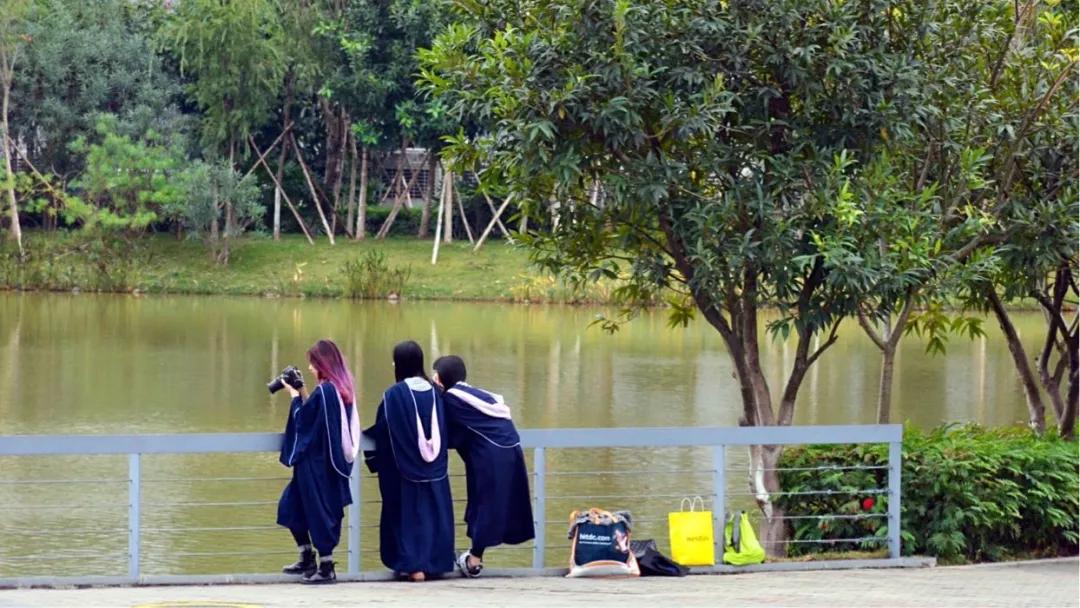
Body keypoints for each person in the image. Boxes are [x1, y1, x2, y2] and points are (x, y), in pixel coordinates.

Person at [433, 355, 534, 578]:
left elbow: (442, 428)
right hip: (510, 449)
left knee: (484, 506)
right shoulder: (475, 394)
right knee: (490, 506)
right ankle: (474, 556)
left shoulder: (451, 398)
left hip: (490, 457)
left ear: (441, 377)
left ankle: (473, 562)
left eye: (435, 375)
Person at [364, 340, 455, 581]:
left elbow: (384, 430)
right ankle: (436, 563)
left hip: (403, 470)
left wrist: (367, 446)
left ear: (400, 364)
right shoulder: (437, 393)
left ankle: (413, 567)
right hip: (436, 469)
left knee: (408, 516)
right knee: (432, 514)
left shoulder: (394, 395)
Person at [276, 339, 360, 584]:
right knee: (291, 507)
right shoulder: (339, 389)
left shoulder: (326, 391)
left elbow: (304, 420)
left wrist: (293, 396)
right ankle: (307, 556)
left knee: (320, 513)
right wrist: (302, 392)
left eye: (312, 364)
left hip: (317, 466)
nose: (310, 369)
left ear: (322, 364)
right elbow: (318, 415)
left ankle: (326, 567)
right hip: (328, 465)